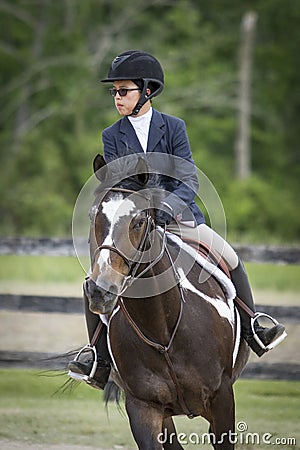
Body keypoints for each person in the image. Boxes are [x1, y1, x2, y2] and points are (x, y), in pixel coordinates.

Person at [69, 50, 286, 390]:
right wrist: (139, 213)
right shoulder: (112, 136)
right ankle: (97, 356)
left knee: (228, 256)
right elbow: (121, 184)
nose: (117, 97)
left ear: (147, 91)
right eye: (114, 92)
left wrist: (165, 208)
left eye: (124, 90)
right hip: (134, 225)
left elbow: (188, 177)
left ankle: (252, 323)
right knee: (94, 279)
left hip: (177, 216)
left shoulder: (173, 127)